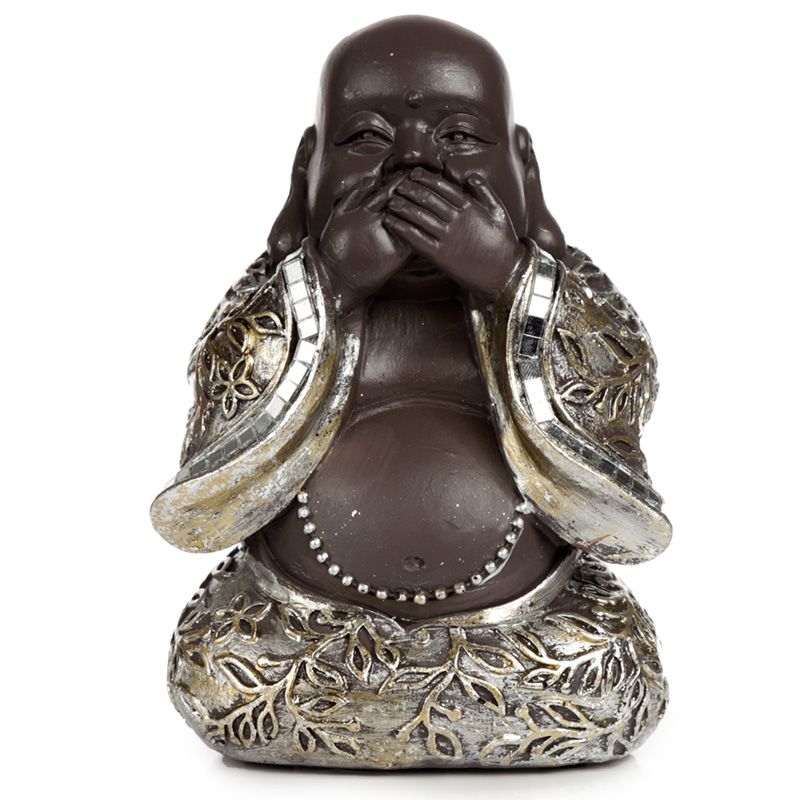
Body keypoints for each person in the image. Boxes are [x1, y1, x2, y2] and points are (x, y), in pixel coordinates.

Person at [152, 15, 671, 768]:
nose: (416, 164)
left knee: (612, 673)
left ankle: (378, 716)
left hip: (526, 626)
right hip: (302, 627)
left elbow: (619, 387)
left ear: (524, 169)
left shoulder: (555, 296)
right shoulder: (282, 298)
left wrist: (507, 277)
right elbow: (219, 416)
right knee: (221, 671)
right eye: (367, 138)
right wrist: (329, 283)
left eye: (461, 136)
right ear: (307, 171)